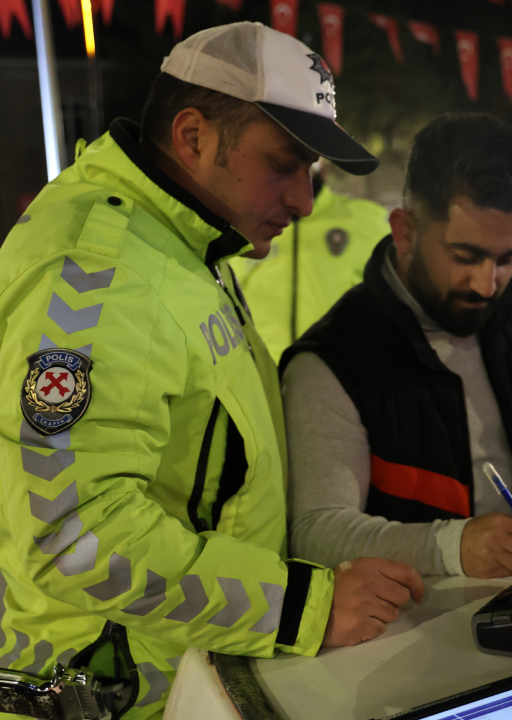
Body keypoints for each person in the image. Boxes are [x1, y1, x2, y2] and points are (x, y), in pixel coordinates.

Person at [0, 23, 423, 718]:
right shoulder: (99, 275)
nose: (305, 201)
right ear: (193, 137)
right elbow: (75, 536)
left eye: (311, 173)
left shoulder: (183, 244)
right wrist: (301, 608)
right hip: (125, 701)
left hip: (193, 676)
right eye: (284, 164)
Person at [280, 114, 512, 580]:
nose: (486, 284)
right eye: (466, 256)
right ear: (405, 231)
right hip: (420, 632)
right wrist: (449, 546)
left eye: (506, 258)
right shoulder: (331, 362)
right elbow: (317, 530)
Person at [230, 161, 391, 361]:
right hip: (261, 379)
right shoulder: (239, 223)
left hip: (342, 378)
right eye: (282, 164)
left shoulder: (366, 221)